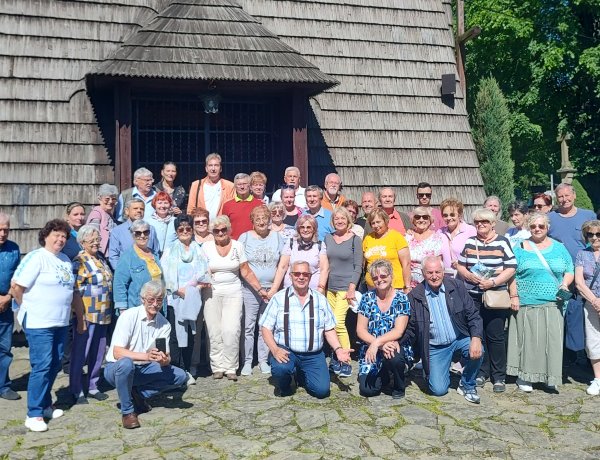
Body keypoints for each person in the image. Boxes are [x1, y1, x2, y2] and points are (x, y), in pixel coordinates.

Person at [11, 219, 75, 432]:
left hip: (60, 321)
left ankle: (46, 404)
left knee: (55, 364)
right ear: (45, 236)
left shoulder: (65, 259)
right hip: (40, 322)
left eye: (64, 236)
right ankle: (34, 413)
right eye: (56, 235)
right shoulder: (36, 257)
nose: (60, 239)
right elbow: (17, 286)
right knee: (42, 365)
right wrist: (26, 309)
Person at [259, 260, 352, 398]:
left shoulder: (320, 299)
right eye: (297, 274)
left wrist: (338, 349)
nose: (301, 277)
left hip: (313, 355)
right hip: (287, 352)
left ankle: (301, 374)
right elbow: (265, 328)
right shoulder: (279, 298)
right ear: (290, 276)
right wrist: (275, 349)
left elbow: (329, 329)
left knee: (322, 391)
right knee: (281, 369)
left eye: (305, 274)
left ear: (310, 276)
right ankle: (286, 384)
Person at [103, 281, 188, 429]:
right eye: (151, 300)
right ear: (143, 299)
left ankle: (139, 394)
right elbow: (117, 353)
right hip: (116, 369)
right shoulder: (129, 316)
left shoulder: (164, 324)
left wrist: (164, 360)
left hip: (144, 368)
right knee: (126, 363)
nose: (155, 304)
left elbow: (165, 358)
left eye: (159, 300)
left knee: (180, 375)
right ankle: (128, 412)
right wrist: (147, 356)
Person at [507, 212, 574, 392]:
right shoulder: (519, 247)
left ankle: (548, 376)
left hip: (554, 302)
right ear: (529, 227)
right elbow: (511, 273)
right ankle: (525, 376)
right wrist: (514, 295)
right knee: (528, 342)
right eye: (534, 226)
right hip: (527, 301)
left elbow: (569, 268)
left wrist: (565, 283)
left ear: (547, 228)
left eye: (541, 226)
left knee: (551, 342)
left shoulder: (559, 247)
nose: (537, 229)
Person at [407, 257, 484, 403]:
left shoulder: (457, 286)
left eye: (438, 271)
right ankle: (433, 370)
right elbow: (410, 328)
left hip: (459, 338)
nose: (434, 276)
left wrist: (476, 338)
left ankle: (467, 384)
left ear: (443, 272)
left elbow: (473, 315)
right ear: (423, 273)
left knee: (478, 350)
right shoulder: (415, 296)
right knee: (438, 390)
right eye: (430, 272)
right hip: (435, 346)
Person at [457, 208, 516, 393]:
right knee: (478, 336)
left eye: (484, 221)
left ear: (492, 224)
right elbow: (460, 264)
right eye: (477, 222)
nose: (480, 225)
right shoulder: (470, 242)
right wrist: (469, 276)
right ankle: (481, 372)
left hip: (496, 296)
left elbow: (512, 266)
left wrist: (493, 282)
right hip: (473, 297)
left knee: (496, 337)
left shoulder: (502, 242)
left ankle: (499, 376)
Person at [200, 215, 265, 381]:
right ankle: (217, 366)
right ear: (212, 232)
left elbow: (246, 270)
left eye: (223, 230)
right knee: (214, 331)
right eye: (216, 230)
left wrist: (260, 289)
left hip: (234, 291)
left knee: (232, 329)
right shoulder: (205, 247)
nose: (220, 233)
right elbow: (199, 270)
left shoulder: (237, 246)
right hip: (211, 292)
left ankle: (230, 367)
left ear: (229, 230)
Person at [548, 183, 596, 359]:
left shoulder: (588, 215)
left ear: (574, 196)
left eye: (567, 195)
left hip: (587, 275)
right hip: (562, 276)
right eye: (560, 196)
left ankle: (587, 354)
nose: (564, 199)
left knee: (588, 313)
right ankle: (568, 353)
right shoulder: (550, 218)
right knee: (566, 312)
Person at [161, 215, 209, 380]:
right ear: (176, 231)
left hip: (192, 298)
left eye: (188, 228)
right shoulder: (170, 250)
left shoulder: (198, 249)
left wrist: (198, 286)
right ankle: (176, 369)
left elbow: (205, 272)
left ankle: (188, 369)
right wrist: (176, 289)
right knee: (175, 335)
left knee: (190, 335)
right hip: (175, 298)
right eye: (181, 229)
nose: (185, 232)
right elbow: (164, 274)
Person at [238, 206, 284, 376]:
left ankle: (263, 360)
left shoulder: (277, 237)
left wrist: (273, 289)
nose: (262, 222)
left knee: (265, 325)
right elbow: (241, 263)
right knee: (248, 326)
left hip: (271, 289)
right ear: (252, 221)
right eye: (257, 219)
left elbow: (282, 263)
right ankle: (248, 361)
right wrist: (257, 288)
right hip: (250, 289)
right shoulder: (245, 237)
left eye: (264, 218)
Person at [70, 225, 113, 404]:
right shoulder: (79, 261)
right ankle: (77, 389)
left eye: (98, 239)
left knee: (98, 351)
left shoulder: (100, 258)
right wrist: (80, 317)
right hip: (87, 315)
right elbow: (75, 290)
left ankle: (93, 385)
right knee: (82, 352)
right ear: (82, 242)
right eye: (92, 240)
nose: (96, 242)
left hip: (103, 314)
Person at [355, 259, 409, 398]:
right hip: (372, 347)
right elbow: (360, 330)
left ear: (391, 276)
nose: (379, 280)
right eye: (375, 278)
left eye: (383, 276)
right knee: (368, 390)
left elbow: (398, 330)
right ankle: (384, 373)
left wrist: (377, 343)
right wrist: (377, 345)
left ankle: (399, 386)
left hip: (393, 344)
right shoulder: (367, 298)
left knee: (395, 357)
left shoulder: (402, 298)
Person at [325, 207, 363, 378]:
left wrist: (352, 288)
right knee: (329, 325)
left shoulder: (355, 239)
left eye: (343, 218)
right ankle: (336, 357)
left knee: (339, 323)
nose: (339, 221)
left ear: (348, 220)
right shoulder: (328, 238)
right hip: (330, 288)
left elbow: (358, 266)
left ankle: (345, 360)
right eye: (336, 218)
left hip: (345, 289)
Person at [270, 215, 329, 296]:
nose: (305, 230)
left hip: (313, 291)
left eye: (309, 227)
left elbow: (324, 269)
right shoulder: (290, 243)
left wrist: (321, 289)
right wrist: (274, 289)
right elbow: (282, 267)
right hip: (291, 290)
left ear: (314, 229)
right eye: (302, 227)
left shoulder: (320, 245)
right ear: (298, 229)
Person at [113, 220, 163, 313]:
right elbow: (119, 284)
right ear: (132, 235)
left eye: (146, 232)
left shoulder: (155, 254)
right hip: (137, 307)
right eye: (138, 233)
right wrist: (122, 309)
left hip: (157, 307)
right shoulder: (127, 257)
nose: (142, 236)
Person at [575, 220, 600, 396]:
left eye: (598, 234)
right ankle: (598, 378)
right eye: (590, 234)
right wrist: (595, 301)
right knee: (593, 341)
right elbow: (579, 282)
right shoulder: (582, 254)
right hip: (591, 304)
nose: (594, 237)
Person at [363, 208, 411, 292]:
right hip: (373, 287)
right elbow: (363, 263)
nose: (376, 225)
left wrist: (407, 286)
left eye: (378, 222)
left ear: (386, 221)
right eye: (373, 223)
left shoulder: (396, 237)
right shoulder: (368, 238)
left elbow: (406, 264)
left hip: (394, 286)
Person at [0, 213, 20, 401]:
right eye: (0, 229)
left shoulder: (13, 249)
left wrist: (7, 298)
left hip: (4, 306)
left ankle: (3, 386)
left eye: (6, 229)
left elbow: (17, 278)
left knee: (5, 348)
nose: (3, 233)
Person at [405, 207, 451, 287]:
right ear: (413, 220)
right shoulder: (407, 237)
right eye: (417, 217)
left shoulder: (437, 238)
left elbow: (438, 263)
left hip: (430, 282)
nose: (421, 219)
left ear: (430, 220)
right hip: (409, 282)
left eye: (425, 217)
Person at [108, 198, 160, 270]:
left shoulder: (151, 229)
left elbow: (156, 252)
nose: (139, 211)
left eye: (142, 209)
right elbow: (113, 256)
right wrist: (121, 273)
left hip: (149, 273)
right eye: (135, 208)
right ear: (127, 211)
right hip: (127, 274)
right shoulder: (117, 231)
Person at [187, 153, 235, 219]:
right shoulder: (196, 185)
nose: (213, 168)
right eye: (210, 165)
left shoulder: (229, 186)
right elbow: (190, 210)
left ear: (220, 168)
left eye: (216, 165)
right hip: (202, 226)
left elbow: (232, 209)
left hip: (221, 227)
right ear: (206, 169)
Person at [437, 198, 477, 276]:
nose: (448, 218)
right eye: (445, 215)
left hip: (465, 276)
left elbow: (479, 253)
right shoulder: (440, 232)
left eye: (452, 214)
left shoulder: (470, 231)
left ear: (459, 215)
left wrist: (462, 262)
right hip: (446, 277)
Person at [221, 173, 263, 239]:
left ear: (250, 185)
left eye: (245, 184)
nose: (242, 187)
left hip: (254, 243)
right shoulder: (227, 205)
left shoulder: (259, 204)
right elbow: (223, 227)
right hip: (234, 243)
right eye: (239, 184)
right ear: (235, 186)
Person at [86, 183, 118, 256]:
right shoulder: (96, 213)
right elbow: (92, 236)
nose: (110, 201)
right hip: (100, 254)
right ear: (100, 199)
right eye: (107, 199)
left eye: (113, 199)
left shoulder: (109, 214)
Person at [147, 191, 177, 255]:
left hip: (171, 256)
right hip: (153, 256)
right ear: (154, 204)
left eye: (166, 203)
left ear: (170, 205)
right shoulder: (148, 222)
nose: (163, 206)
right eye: (159, 203)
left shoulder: (175, 221)